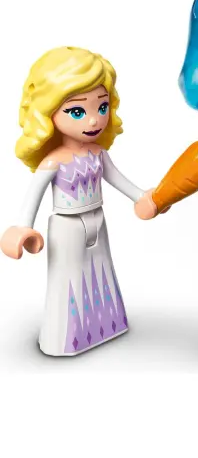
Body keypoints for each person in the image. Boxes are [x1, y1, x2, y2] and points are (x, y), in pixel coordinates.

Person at [0, 46, 159, 356]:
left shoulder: (99, 154)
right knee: (68, 279)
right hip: (67, 226)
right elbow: (32, 196)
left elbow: (119, 180)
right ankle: (64, 339)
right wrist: (22, 228)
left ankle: (105, 326)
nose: (94, 120)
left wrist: (144, 198)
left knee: (101, 272)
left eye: (102, 106)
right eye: (77, 111)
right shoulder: (53, 162)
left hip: (98, 220)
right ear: (47, 113)